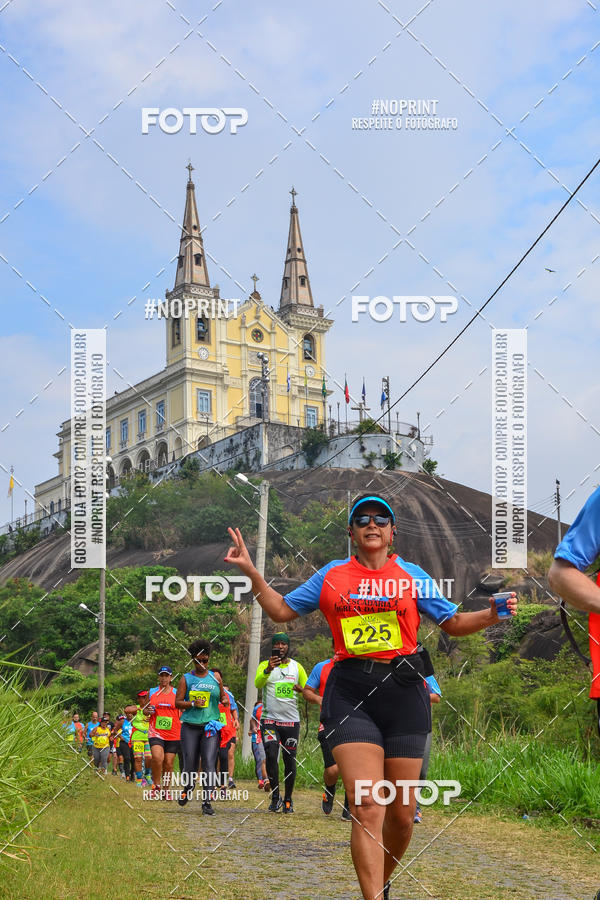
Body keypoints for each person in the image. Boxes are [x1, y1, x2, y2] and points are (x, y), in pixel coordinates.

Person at [226, 493, 517, 899]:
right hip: (351, 694)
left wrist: (489, 614)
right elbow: (280, 610)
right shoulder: (331, 575)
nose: (372, 523)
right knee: (367, 806)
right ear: (351, 531)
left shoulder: (412, 575)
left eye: (381, 518)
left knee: (400, 816)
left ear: (393, 531)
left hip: (404, 694)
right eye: (362, 518)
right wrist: (251, 572)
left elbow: (451, 622)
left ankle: (382, 880)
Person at [253, 632, 307, 814]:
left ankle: (289, 799)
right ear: (273, 647)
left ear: (288, 647)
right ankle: (275, 796)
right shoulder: (264, 665)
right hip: (269, 720)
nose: (281, 647)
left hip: (291, 722)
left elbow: (307, 690)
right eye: (278, 644)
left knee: (290, 761)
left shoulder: (297, 667)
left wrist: (301, 690)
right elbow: (257, 684)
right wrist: (268, 669)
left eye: (284, 644)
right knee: (270, 753)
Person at [175, 639, 228, 815]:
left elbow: (222, 696)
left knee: (209, 762)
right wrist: (192, 703)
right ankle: (188, 786)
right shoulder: (186, 679)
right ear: (193, 660)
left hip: (210, 727)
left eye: (205, 660)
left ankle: (207, 801)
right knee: (190, 762)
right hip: (190, 726)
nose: (202, 664)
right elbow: (178, 703)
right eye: (198, 660)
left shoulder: (215, 677)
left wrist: (225, 700)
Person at [303, 656, 350, 821]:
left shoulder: (359, 666)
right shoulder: (321, 667)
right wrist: (318, 699)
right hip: (328, 723)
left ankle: (349, 806)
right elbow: (307, 691)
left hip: (353, 724)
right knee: (333, 770)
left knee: (350, 767)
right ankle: (330, 790)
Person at [147, 666, 181, 798]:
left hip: (173, 733)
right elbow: (144, 709)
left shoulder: (177, 693)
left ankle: (166, 789)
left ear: (171, 678)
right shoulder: (152, 692)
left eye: (167, 676)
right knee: (157, 758)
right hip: (156, 731)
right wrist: (147, 711)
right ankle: (156, 786)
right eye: (162, 675)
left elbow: (183, 710)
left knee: (168, 762)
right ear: (158, 677)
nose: (164, 678)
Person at [413, 673, 441, 824]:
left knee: (422, 771)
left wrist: (412, 697)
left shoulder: (424, 673)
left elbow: (436, 697)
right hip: (397, 728)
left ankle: (415, 806)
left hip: (423, 727)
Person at [211, 668, 239, 789]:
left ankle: (229, 780)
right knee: (214, 755)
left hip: (227, 730)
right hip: (213, 729)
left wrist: (236, 720)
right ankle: (215, 779)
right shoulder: (208, 692)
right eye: (213, 677)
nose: (216, 680)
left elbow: (233, 709)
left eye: (218, 678)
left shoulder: (228, 695)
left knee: (228, 754)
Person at [124, 691, 153, 786]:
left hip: (149, 736)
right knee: (138, 758)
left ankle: (148, 774)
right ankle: (139, 780)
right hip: (137, 737)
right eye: (141, 697)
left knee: (149, 757)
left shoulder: (151, 708)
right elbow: (127, 710)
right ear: (138, 699)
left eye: (145, 697)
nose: (143, 699)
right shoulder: (136, 709)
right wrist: (138, 707)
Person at [248, 701, 268, 790]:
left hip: (271, 737)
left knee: (271, 760)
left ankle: (270, 779)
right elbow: (251, 721)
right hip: (257, 738)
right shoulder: (257, 710)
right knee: (260, 760)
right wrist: (252, 729)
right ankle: (262, 780)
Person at [118, 711, 134, 780]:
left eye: (131, 713)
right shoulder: (122, 722)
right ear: (126, 714)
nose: (129, 715)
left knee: (134, 760)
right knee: (127, 758)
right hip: (124, 742)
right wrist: (120, 736)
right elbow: (115, 730)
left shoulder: (135, 722)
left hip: (133, 742)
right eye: (128, 713)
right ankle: (127, 775)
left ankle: (132, 773)